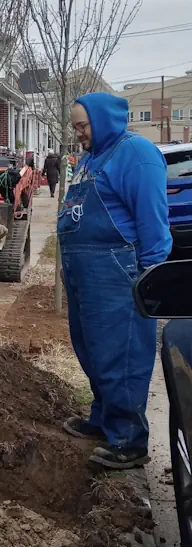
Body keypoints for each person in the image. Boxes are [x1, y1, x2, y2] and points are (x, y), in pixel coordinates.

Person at [60, 92, 171, 470]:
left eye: (82, 126)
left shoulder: (135, 155)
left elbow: (153, 220)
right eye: (75, 127)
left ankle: (129, 439)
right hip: (85, 274)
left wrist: (153, 275)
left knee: (120, 354)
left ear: (103, 120)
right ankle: (104, 419)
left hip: (116, 275)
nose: (78, 134)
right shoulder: (92, 159)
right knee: (92, 350)